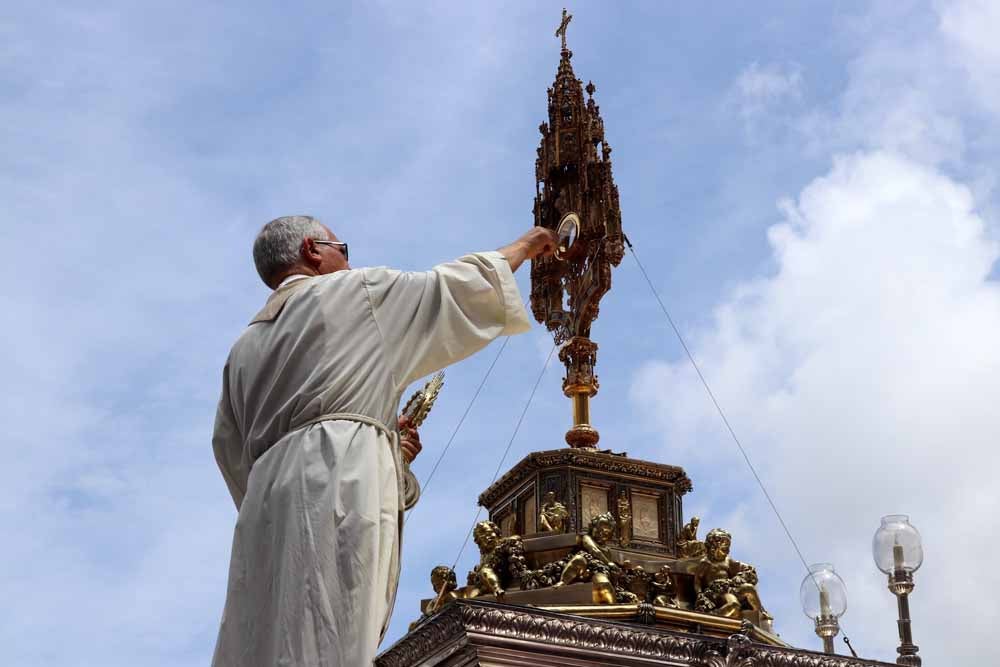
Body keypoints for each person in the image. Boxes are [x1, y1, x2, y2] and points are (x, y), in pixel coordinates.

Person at [211, 215, 557, 666]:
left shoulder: (242, 350)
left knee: (263, 635)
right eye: (343, 248)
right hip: (338, 480)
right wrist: (527, 246)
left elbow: (228, 449)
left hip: (264, 508)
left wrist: (385, 453)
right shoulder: (357, 293)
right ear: (313, 251)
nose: (349, 261)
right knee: (333, 627)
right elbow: (453, 288)